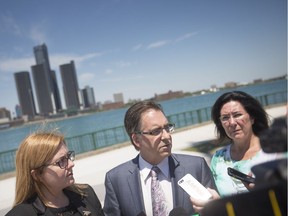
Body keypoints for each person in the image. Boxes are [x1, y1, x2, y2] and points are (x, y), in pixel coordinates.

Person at [103, 100, 217, 216]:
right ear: (137, 140)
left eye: (167, 128)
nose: (167, 136)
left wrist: (216, 209)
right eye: (156, 131)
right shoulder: (116, 179)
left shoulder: (196, 167)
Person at [5, 130, 104, 216]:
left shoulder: (86, 194)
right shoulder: (21, 214)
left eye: (68, 156)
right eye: (61, 161)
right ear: (37, 175)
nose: (71, 164)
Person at [210, 90, 282, 197]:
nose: (232, 123)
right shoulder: (218, 159)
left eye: (237, 115)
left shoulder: (275, 152)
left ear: (252, 118)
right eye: (225, 118)